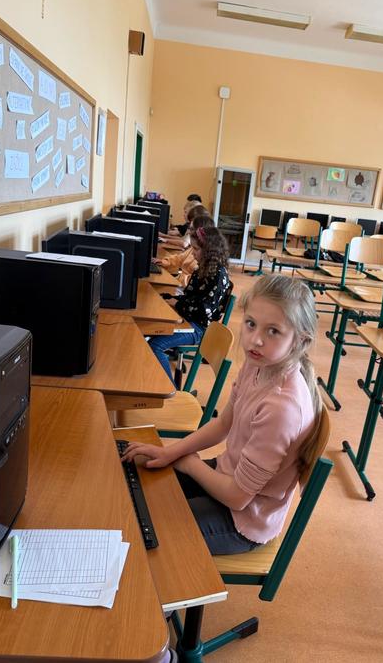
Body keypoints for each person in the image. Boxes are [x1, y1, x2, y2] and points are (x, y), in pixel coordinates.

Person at [123, 275, 322, 555]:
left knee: (143, 528)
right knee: (141, 487)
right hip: (227, 476)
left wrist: (189, 464)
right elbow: (223, 423)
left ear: (300, 340)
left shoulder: (281, 408)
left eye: (273, 331)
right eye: (251, 324)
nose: (255, 340)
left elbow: (237, 498)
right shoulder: (258, 364)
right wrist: (170, 453)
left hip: (243, 520)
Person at [147, 225, 230, 385]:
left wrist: (177, 304)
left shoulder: (217, 275)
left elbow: (202, 310)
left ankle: (170, 389)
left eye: (196, 249)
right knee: (151, 327)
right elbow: (190, 297)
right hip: (189, 318)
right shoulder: (203, 269)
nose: (192, 253)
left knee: (155, 345)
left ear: (210, 251)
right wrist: (173, 299)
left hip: (199, 328)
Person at [154, 214, 215, 288]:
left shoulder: (204, 257)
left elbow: (192, 282)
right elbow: (179, 258)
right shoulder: (193, 248)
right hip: (180, 283)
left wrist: (176, 279)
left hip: (185, 288)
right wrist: (164, 261)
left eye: (191, 229)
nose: (188, 232)